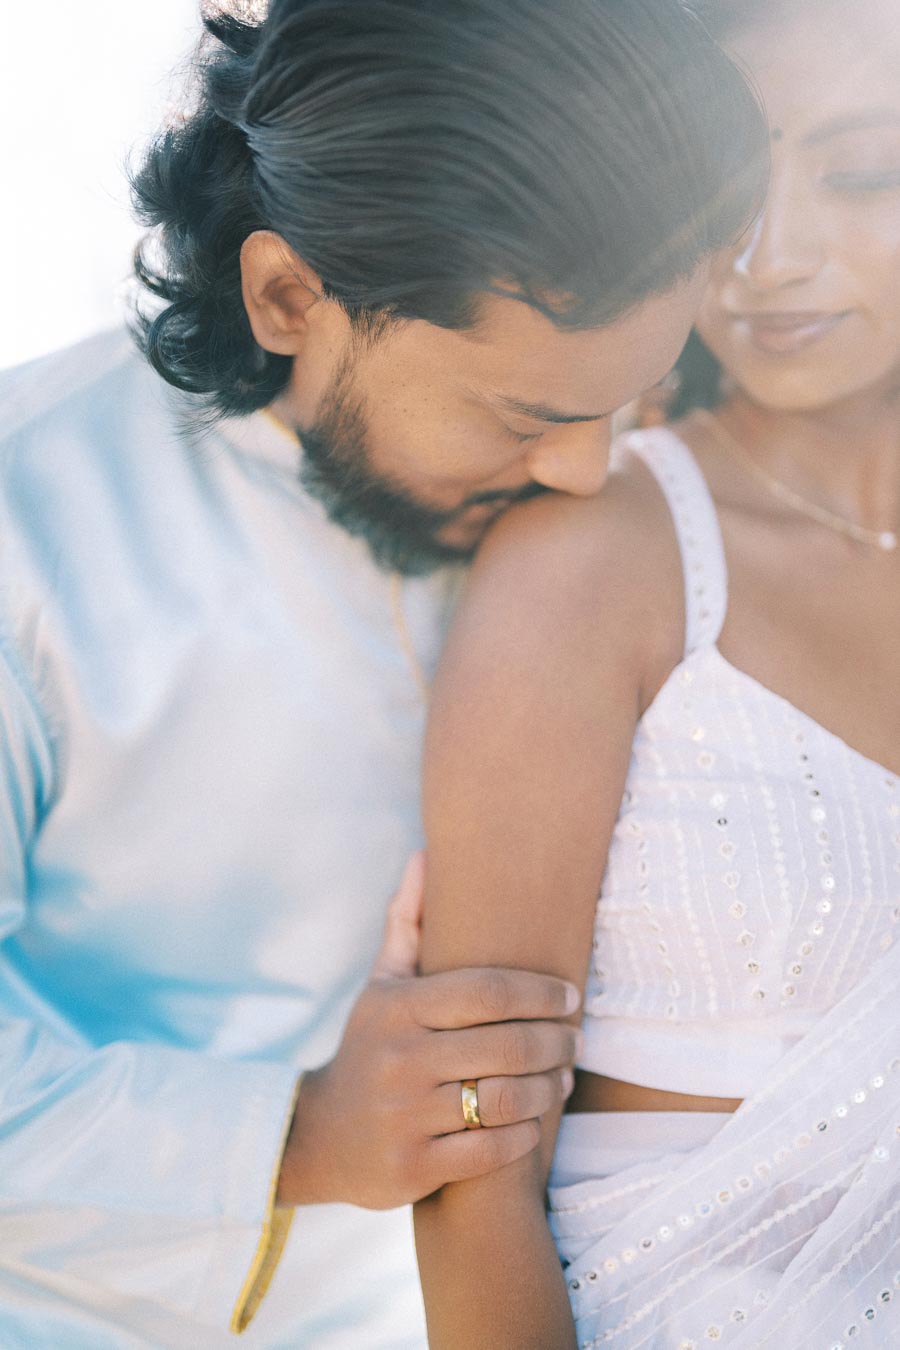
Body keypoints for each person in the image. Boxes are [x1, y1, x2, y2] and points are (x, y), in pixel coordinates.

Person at [0, 1, 767, 1346]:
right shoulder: (28, 514)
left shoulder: (646, 495)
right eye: (528, 416)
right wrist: (298, 1136)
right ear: (289, 297)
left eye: (627, 401)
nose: (588, 473)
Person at [412, 0, 900, 1345]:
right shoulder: (593, 554)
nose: (769, 259)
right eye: (723, 193)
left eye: (861, 173)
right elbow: (472, 1156)